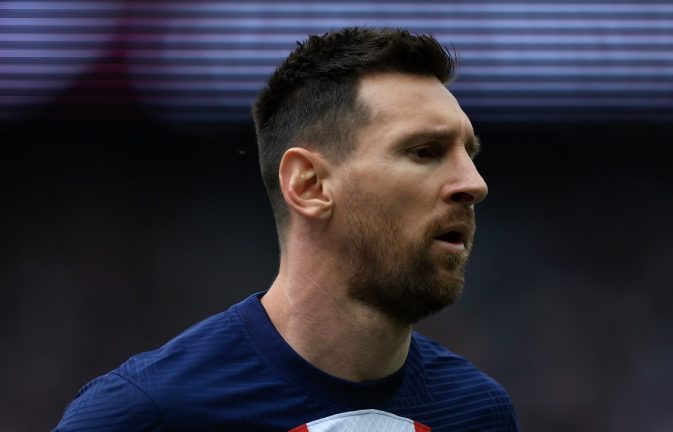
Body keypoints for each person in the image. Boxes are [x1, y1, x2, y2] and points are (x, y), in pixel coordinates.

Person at [55, 27, 520, 431]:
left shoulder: (478, 412)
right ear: (310, 185)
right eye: (424, 151)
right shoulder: (144, 414)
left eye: (469, 154)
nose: (473, 184)